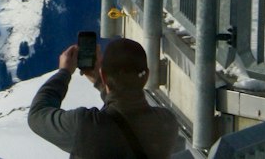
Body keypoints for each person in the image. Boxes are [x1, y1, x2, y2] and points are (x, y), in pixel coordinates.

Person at [28, 36, 180, 158]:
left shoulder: (85, 125)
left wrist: (64, 72)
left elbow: (36, 115)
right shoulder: (166, 123)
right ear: (146, 76)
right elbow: (126, 111)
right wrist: (104, 83)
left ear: (104, 75)